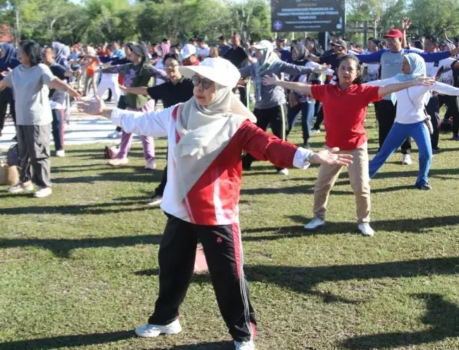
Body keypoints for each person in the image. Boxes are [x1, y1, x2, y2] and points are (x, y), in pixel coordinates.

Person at [78, 57, 352, 350]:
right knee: (171, 266)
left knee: (228, 276)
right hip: (179, 208)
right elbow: (139, 122)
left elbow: (269, 146)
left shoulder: (237, 125)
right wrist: (105, 111)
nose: (198, 87)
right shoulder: (177, 113)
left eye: (206, 82)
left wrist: (309, 156)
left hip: (217, 212)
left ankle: (243, 334)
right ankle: (166, 318)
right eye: (196, 80)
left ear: (222, 89)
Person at [265, 55, 436, 236]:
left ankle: (364, 221)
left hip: (356, 147)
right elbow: (304, 87)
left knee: (361, 187)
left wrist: (413, 82)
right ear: (337, 71)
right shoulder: (326, 91)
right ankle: (318, 217)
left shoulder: (363, 91)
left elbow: (387, 88)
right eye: (343, 68)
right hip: (332, 150)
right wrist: (279, 82)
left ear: (356, 73)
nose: (346, 72)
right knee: (322, 185)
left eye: (350, 69)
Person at [366, 53, 459, 190]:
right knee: (383, 153)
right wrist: (356, 88)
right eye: (403, 63)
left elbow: (443, 88)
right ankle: (364, 177)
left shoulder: (425, 81)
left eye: (406, 63)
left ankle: (422, 180)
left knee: (426, 153)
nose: (403, 66)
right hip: (400, 124)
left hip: (418, 123)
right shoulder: (398, 79)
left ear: (415, 65)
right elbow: (378, 83)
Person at [0, 40, 82, 198]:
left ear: (29, 54)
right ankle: (25, 182)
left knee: (38, 153)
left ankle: (45, 185)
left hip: (38, 119)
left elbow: (54, 81)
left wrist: (71, 91)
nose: (19, 54)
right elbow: (3, 82)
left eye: (21, 51)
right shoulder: (17, 70)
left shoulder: (41, 69)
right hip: (22, 118)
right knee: (23, 153)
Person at [238, 40, 327, 175]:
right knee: (254, 137)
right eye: (255, 51)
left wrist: (314, 69)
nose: (256, 53)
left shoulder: (277, 64)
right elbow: (239, 72)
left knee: (279, 136)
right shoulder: (254, 67)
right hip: (260, 107)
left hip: (276, 105)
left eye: (259, 51)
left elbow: (295, 68)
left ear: (266, 51)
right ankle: (247, 162)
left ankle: (280, 165)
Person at [122, 54, 194, 206]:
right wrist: (126, 89)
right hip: (175, 131)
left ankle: (180, 193)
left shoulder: (191, 84)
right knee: (173, 161)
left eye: (172, 65)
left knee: (192, 163)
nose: (169, 69)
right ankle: (162, 193)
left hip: (194, 130)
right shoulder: (165, 87)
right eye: (166, 65)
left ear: (180, 66)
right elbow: (147, 90)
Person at [98, 43, 164, 167]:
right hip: (131, 101)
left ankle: (150, 160)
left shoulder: (148, 68)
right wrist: (99, 69)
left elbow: (164, 75)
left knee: (145, 132)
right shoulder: (127, 67)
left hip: (144, 102)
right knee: (126, 129)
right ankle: (122, 155)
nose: (129, 54)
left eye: (132, 52)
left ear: (139, 54)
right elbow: (113, 68)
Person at [44, 42, 74, 158]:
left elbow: (66, 72)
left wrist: (74, 73)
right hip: (44, 99)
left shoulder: (55, 67)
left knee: (57, 124)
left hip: (56, 99)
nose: (42, 56)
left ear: (52, 56)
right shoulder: (42, 67)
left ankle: (60, 148)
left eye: (45, 54)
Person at [0, 43, 20, 138]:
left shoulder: (15, 61)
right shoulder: (1, 61)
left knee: (14, 111)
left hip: (12, 89)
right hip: (3, 88)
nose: (1, 51)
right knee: (1, 110)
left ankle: (18, 132)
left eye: (3, 50)